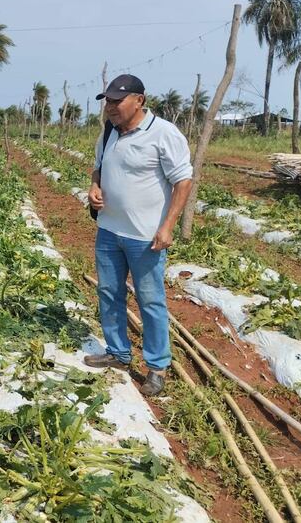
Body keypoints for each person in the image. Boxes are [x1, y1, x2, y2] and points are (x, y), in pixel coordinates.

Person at [83, 74, 193, 397]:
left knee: (150, 300)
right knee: (109, 293)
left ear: (139, 101)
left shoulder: (163, 134)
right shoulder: (108, 133)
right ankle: (118, 352)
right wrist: (93, 187)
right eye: (108, 102)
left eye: (117, 102)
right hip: (108, 231)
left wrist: (168, 225)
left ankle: (156, 367)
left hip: (145, 238)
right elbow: (98, 168)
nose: (111, 108)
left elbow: (183, 181)